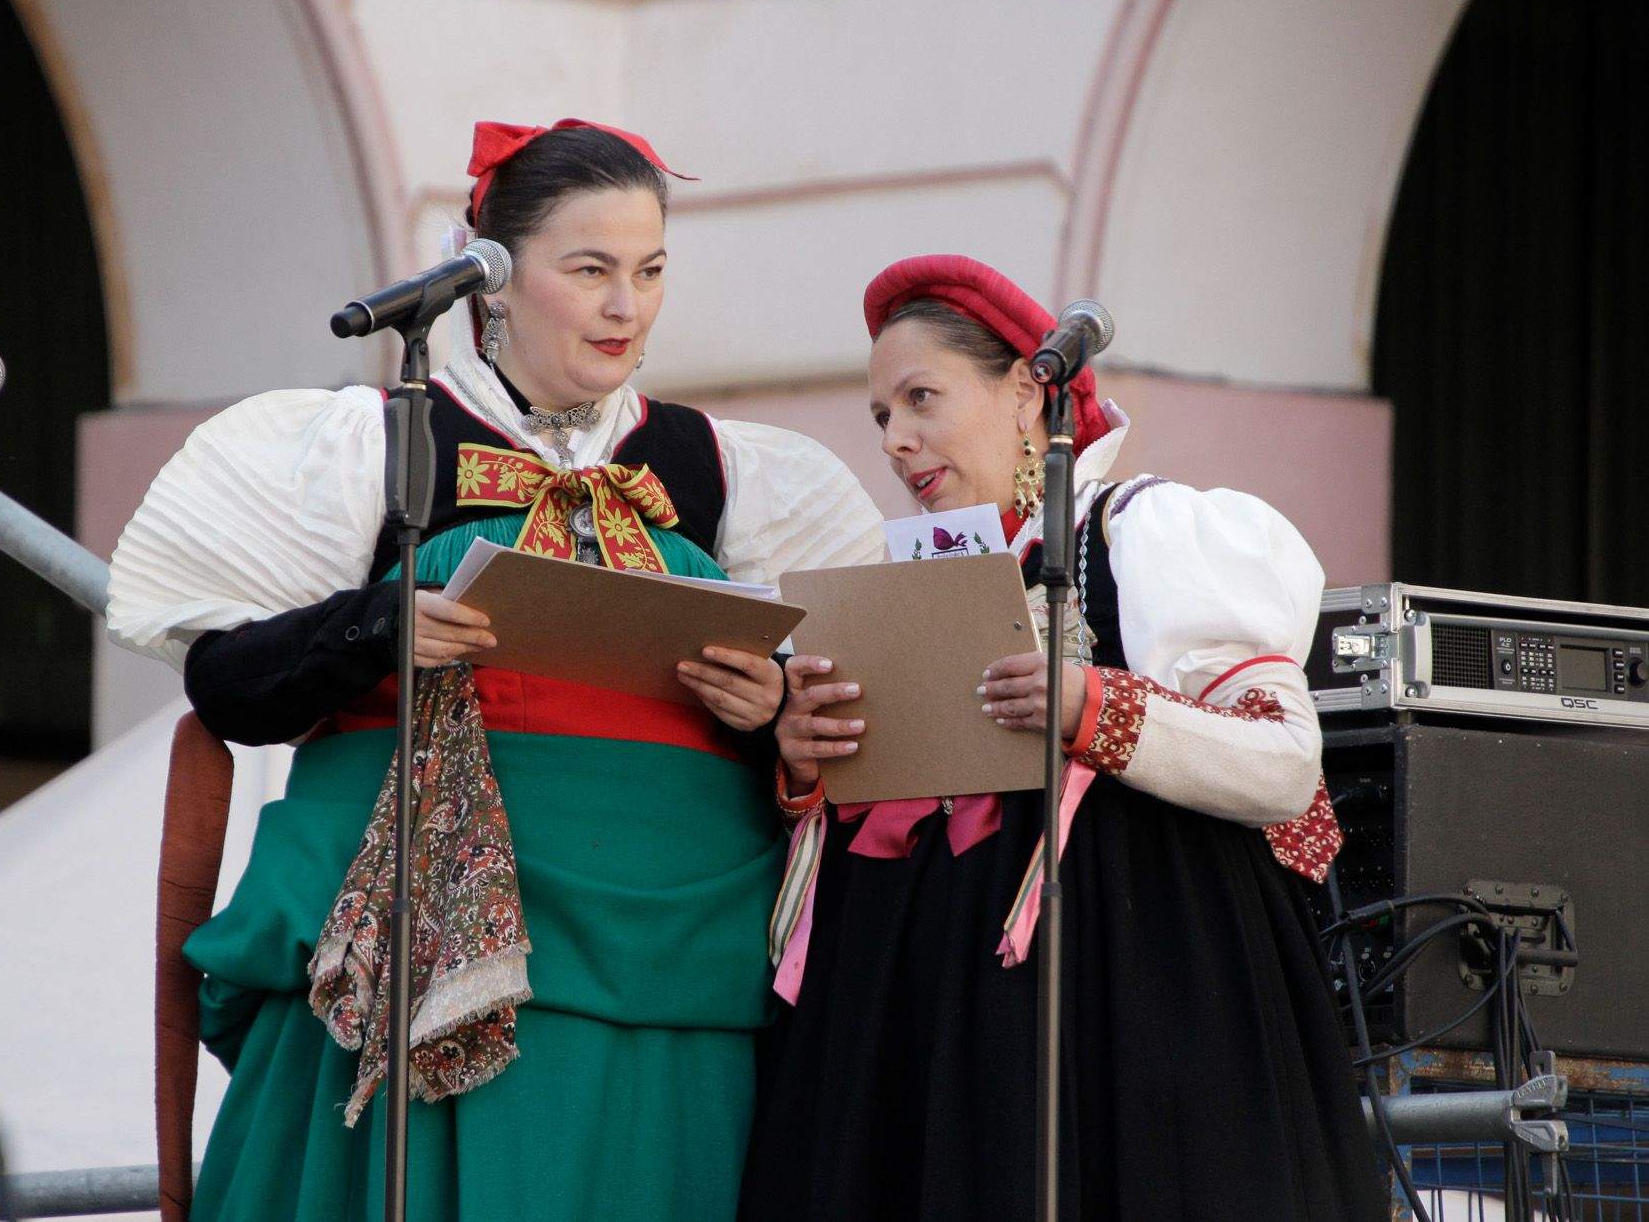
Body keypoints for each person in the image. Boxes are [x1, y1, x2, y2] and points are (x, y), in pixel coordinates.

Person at [106, 119, 884, 1222]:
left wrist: (765, 710)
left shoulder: (724, 469)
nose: (627, 306)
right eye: (592, 271)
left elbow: (834, 725)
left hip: (674, 952)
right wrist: (377, 623)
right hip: (422, 942)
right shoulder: (376, 444)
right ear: (496, 278)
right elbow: (228, 688)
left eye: (650, 271)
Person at [738, 255, 1385, 1221]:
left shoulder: (1139, 532)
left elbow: (1284, 761)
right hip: (940, 1005)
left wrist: (1095, 707)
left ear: (1025, 390)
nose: (897, 440)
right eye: (881, 416)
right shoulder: (903, 582)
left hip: (1131, 983)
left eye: (921, 398)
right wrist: (808, 756)